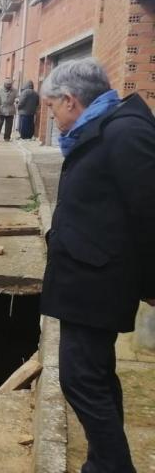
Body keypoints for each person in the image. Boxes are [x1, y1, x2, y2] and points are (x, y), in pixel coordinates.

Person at [40, 58, 155, 473]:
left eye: (52, 107)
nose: (52, 117)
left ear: (70, 100)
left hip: (98, 282)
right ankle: (105, 461)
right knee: (95, 376)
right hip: (87, 276)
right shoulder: (101, 128)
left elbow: (150, 211)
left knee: (81, 379)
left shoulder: (125, 133)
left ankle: (109, 466)